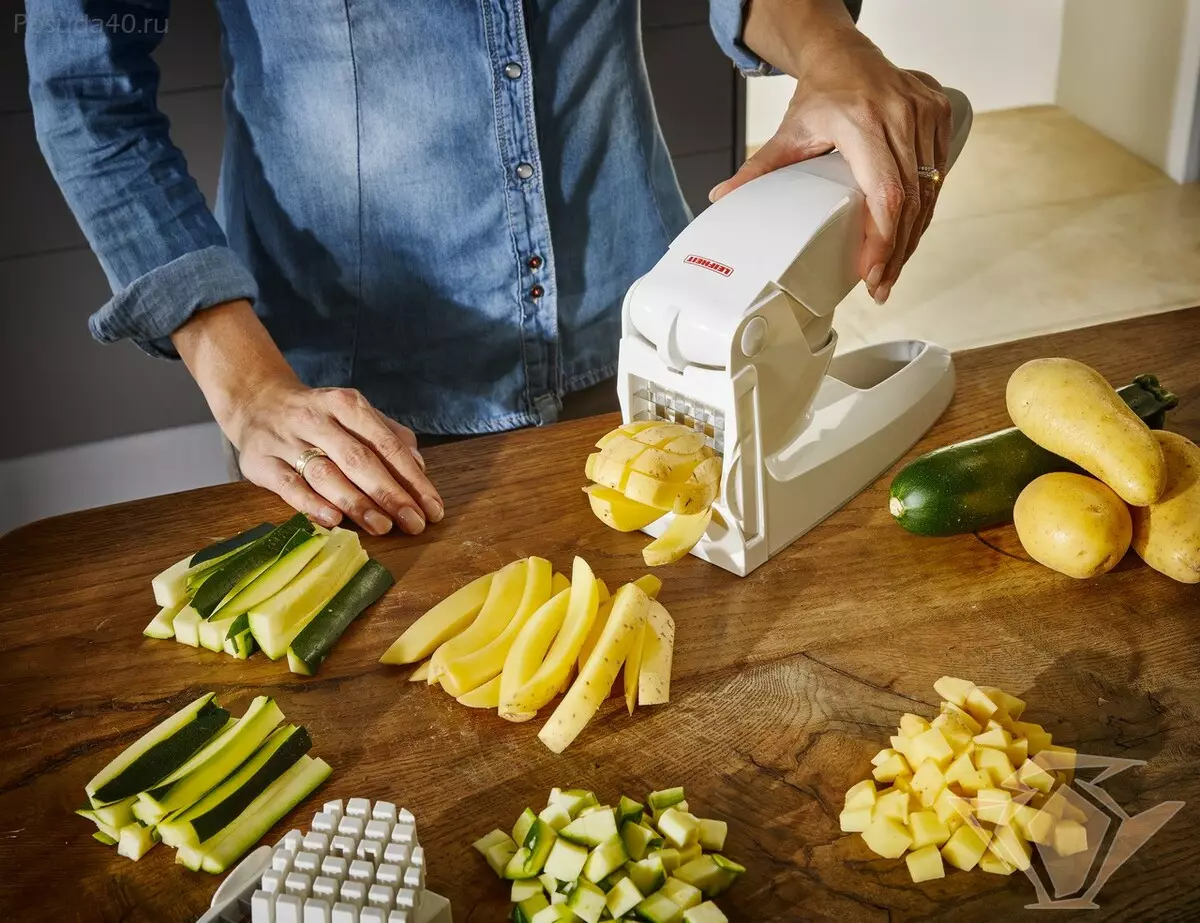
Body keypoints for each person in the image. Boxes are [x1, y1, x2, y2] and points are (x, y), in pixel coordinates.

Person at [27, 0, 953, 538]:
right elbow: (83, 89)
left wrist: (834, 49)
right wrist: (247, 389)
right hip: (356, 422)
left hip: (642, 327)